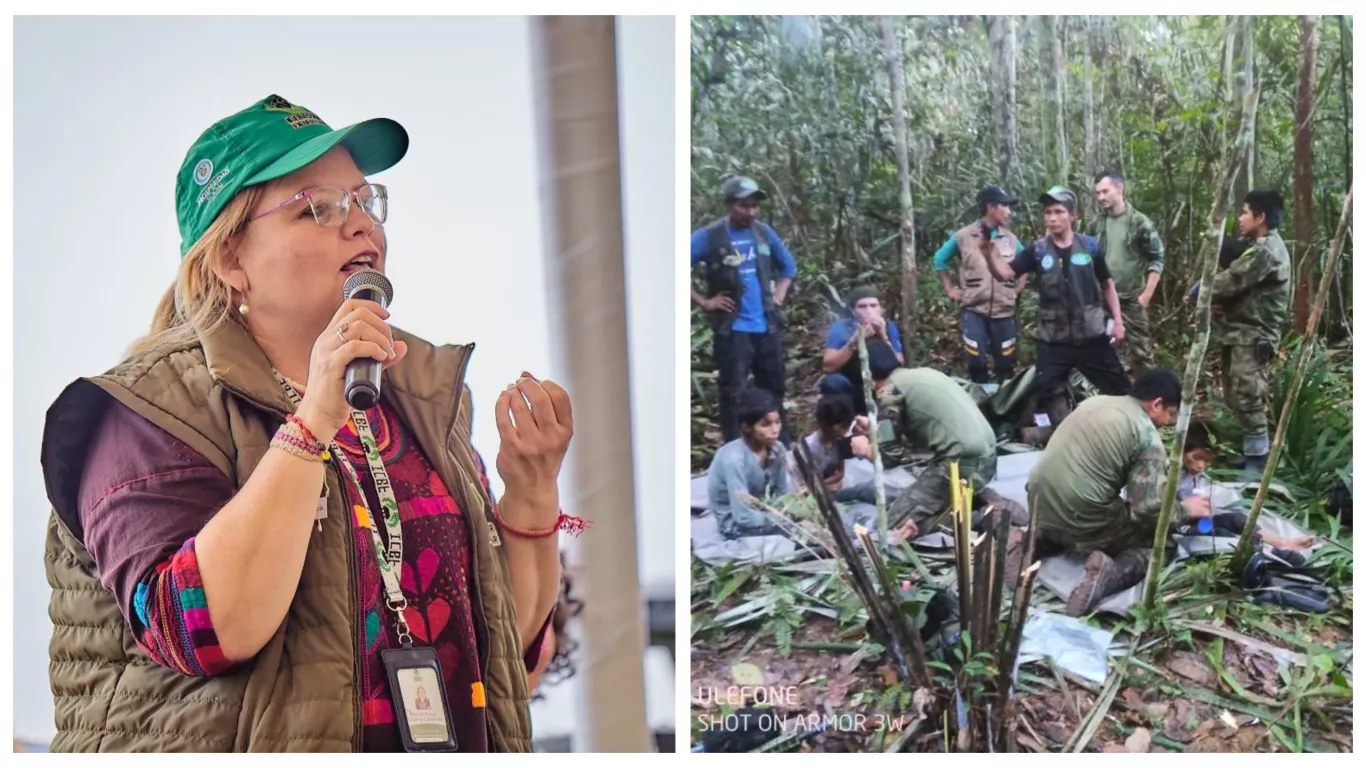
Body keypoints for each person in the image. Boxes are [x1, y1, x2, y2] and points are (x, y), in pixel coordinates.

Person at [39, 95, 574, 752]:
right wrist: (315, 417)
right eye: (316, 208)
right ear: (229, 259)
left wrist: (533, 490)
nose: (360, 227)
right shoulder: (146, 409)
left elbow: (505, 650)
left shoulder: (413, 399)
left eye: (365, 200)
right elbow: (207, 632)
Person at [1027, 368, 1211, 616]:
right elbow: (1147, 509)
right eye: (1170, 413)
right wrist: (1186, 509)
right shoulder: (1146, 436)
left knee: (1090, 506)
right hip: (1082, 515)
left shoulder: (1095, 402)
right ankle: (1109, 575)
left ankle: (1036, 541)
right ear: (1156, 404)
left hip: (1037, 501)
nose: (1167, 422)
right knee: (1161, 546)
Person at [983, 186, 1130, 426]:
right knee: (1046, 387)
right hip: (1054, 338)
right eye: (1048, 212)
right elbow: (1005, 273)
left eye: (1059, 211)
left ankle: (1125, 430)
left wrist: (1118, 322)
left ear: (1073, 216)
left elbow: (1107, 284)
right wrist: (989, 254)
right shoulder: (1038, 250)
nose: (1052, 218)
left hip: (1091, 335)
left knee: (1119, 388)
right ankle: (1064, 430)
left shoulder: (1090, 246)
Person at [691, 176, 798, 443]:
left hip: (766, 325)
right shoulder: (710, 236)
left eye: (754, 206)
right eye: (744, 206)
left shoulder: (763, 233)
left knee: (774, 389)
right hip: (733, 328)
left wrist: (778, 297)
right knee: (732, 392)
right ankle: (735, 447)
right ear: (729, 205)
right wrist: (705, 301)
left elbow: (788, 268)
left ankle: (779, 446)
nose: (750, 212)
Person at [880, 368, 1028, 542]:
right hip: (985, 458)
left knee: (895, 523)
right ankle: (983, 498)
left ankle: (985, 517)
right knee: (925, 497)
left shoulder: (888, 391)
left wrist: (870, 446)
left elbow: (890, 456)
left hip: (962, 463)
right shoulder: (919, 375)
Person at [1204, 189, 1291, 479]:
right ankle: (1253, 451)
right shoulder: (1255, 245)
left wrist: (1199, 291)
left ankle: (1259, 461)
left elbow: (1229, 282)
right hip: (1239, 332)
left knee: (1249, 395)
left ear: (1261, 217)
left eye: (1244, 212)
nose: (1239, 218)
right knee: (1234, 393)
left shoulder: (1266, 251)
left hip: (1255, 335)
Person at [933, 185, 1028, 385]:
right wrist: (950, 289)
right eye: (1005, 206)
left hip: (1004, 311)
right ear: (991, 207)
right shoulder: (964, 236)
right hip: (974, 309)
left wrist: (1018, 287)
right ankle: (979, 400)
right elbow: (939, 260)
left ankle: (1004, 402)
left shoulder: (1010, 239)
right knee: (976, 360)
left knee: (1006, 361)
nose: (1009, 212)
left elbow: (1025, 262)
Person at [1177, 425, 1314, 550]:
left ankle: (1282, 544)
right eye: (1197, 457)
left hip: (1199, 521)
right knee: (1220, 534)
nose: (1201, 466)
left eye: (1207, 461)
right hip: (1179, 528)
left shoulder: (1193, 477)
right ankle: (1265, 552)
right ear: (1182, 450)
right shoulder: (1170, 475)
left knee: (1238, 520)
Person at [1088, 169, 1166, 375]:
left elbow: (1157, 258)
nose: (1101, 197)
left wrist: (1146, 296)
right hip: (1102, 300)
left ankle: (1149, 399)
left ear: (1119, 188)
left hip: (1132, 300)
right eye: (1097, 193)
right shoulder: (1096, 224)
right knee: (1103, 353)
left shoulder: (1140, 222)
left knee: (1142, 354)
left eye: (1105, 192)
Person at [706, 388, 793, 539]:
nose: (775, 430)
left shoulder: (778, 448)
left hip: (768, 512)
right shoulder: (735, 460)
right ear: (746, 427)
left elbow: (783, 492)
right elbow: (743, 516)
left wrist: (789, 510)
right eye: (766, 425)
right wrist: (782, 520)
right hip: (735, 523)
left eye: (777, 422)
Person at [820, 286, 904, 414]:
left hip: (882, 382)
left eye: (873, 305)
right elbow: (828, 366)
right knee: (833, 383)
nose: (869, 310)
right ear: (853, 311)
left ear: (881, 309)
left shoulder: (888, 325)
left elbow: (900, 362)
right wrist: (854, 342)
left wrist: (884, 337)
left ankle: (890, 418)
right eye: (862, 307)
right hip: (853, 381)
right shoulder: (842, 328)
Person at [797, 394, 878, 505]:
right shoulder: (809, 448)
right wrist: (824, 486)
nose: (845, 431)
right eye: (842, 427)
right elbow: (804, 488)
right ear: (825, 424)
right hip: (817, 499)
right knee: (862, 492)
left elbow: (841, 474)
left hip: (833, 489)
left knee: (871, 489)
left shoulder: (839, 441)